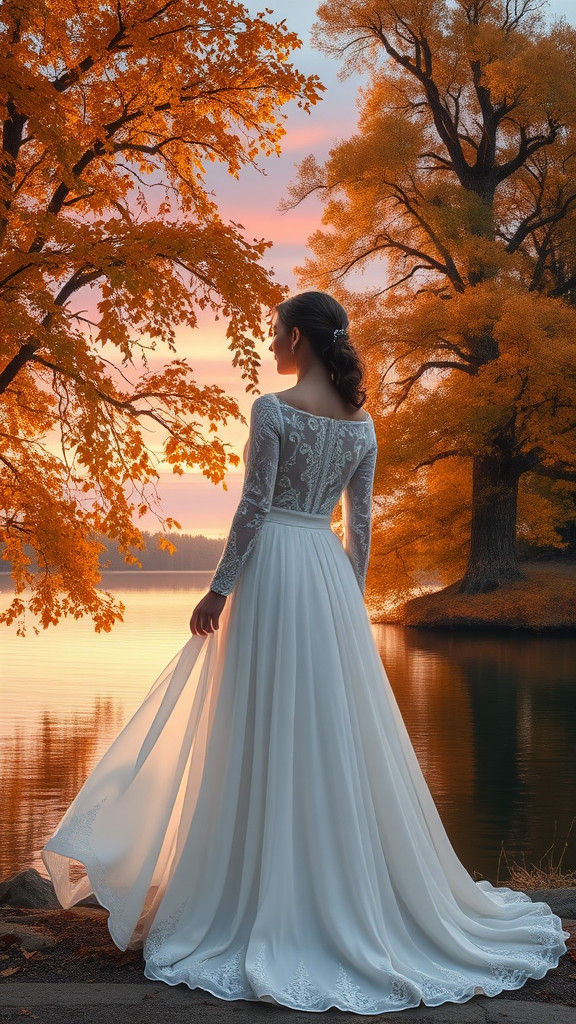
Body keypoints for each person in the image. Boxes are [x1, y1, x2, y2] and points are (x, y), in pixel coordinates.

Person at [41, 291, 569, 1014]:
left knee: (257, 724)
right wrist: (344, 605)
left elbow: (254, 507)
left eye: (275, 335)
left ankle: (259, 891)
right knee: (329, 735)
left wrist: (218, 591)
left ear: (297, 337)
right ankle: (332, 887)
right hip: (322, 575)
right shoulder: (363, 425)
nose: (271, 348)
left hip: (272, 577)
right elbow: (362, 526)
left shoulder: (273, 410)